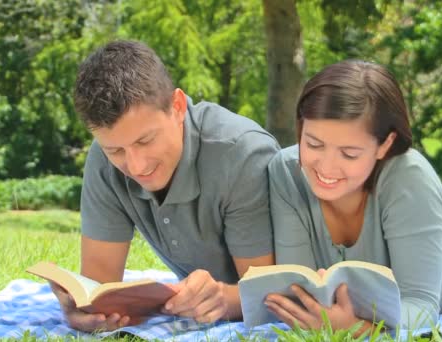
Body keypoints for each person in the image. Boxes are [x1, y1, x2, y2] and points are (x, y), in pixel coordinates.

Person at [264, 60, 442, 334]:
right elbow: (299, 288)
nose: (325, 167)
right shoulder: (287, 171)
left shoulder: (409, 176)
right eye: (314, 144)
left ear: (385, 144)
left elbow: (420, 305)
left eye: (349, 153)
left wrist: (358, 330)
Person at [51, 40, 279, 332]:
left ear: (178, 106)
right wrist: (84, 310)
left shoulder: (241, 154)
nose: (136, 166)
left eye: (145, 141)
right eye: (116, 151)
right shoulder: (102, 159)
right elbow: (100, 286)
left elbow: (266, 293)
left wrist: (223, 300)